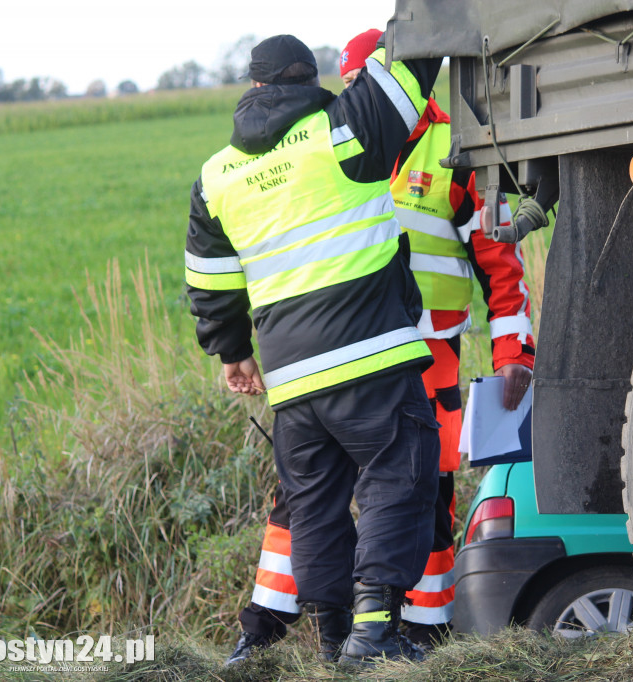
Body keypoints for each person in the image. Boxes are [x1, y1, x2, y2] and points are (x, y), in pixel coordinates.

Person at [226, 28, 536, 663]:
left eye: (362, 83)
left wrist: (514, 355)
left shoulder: (456, 150)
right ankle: (266, 634)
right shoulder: (335, 147)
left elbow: (499, 267)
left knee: (424, 493)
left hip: (426, 361)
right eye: (349, 85)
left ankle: (423, 632)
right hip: (350, 356)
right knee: (302, 499)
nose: (353, 95)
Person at [185, 32, 444, 666]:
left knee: (314, 506)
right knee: (397, 480)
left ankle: (334, 641)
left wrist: (231, 352)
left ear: (254, 87)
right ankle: (376, 632)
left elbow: (209, 278)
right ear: (311, 79)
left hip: (292, 381)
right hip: (373, 357)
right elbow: (417, 56)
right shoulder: (344, 128)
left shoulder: (216, 176)